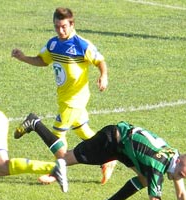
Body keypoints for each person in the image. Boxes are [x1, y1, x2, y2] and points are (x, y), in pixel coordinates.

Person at [14, 113, 186, 200]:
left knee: (144, 179)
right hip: (112, 140)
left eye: (183, 176)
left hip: (125, 147)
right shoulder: (159, 165)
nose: (178, 178)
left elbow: (180, 193)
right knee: (65, 157)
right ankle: (35, 123)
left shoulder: (173, 157)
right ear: (178, 162)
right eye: (180, 174)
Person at [11, 7, 116, 185]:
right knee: (84, 131)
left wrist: (103, 75)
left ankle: (56, 172)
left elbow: (100, 61)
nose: (60, 30)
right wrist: (23, 58)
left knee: (57, 135)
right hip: (64, 99)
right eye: (57, 27)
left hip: (75, 100)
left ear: (72, 24)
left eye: (64, 27)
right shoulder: (53, 44)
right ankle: (109, 158)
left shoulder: (82, 45)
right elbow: (42, 60)